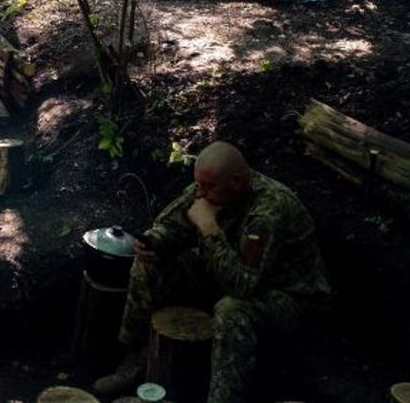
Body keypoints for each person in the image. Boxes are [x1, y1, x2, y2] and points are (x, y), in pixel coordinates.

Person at [94, 141, 331, 401]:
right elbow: (174, 225)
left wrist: (208, 227)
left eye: (209, 187)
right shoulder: (210, 189)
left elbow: (243, 286)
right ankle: (137, 359)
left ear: (237, 183)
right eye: (199, 184)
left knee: (231, 310)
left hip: (288, 297)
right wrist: (154, 242)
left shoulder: (267, 213)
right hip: (227, 273)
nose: (200, 194)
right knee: (149, 264)